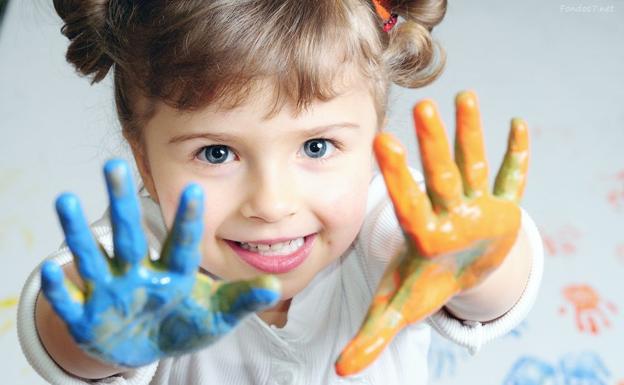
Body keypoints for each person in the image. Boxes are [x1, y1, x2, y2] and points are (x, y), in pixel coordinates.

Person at [17, 0, 544, 384]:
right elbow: (60, 317)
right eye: (217, 153)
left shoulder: (396, 228)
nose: (271, 204)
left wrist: (483, 265)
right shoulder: (147, 265)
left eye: (316, 147)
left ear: (376, 137)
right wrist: (95, 335)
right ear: (144, 162)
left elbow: (486, 293)